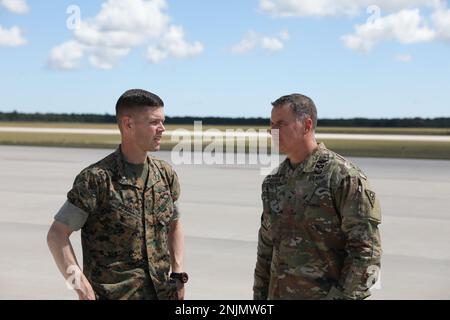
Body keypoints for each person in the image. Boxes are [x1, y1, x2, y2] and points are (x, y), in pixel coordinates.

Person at [47, 89, 188, 300]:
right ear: (128, 124)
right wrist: (80, 286)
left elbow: (174, 224)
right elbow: (56, 235)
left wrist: (177, 275)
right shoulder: (97, 179)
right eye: (154, 122)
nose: (162, 129)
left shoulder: (164, 175)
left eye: (163, 121)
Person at [253, 93, 381, 300]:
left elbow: (366, 253)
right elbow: (266, 251)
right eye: (271, 125)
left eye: (281, 124)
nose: (273, 132)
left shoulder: (343, 177)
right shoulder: (273, 182)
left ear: (306, 124)